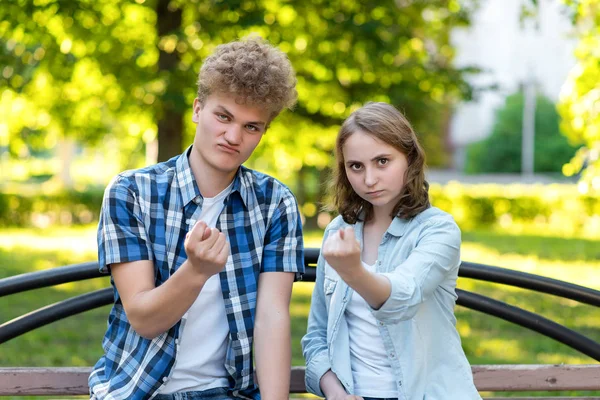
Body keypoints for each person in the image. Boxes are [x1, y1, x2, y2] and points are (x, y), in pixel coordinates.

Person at [89, 36, 304, 400]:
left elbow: (272, 318)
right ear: (197, 109)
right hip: (137, 391)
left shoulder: (275, 203)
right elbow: (144, 319)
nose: (234, 136)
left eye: (252, 127)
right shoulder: (131, 192)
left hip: (226, 393)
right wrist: (197, 271)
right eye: (224, 116)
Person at [301, 102, 481, 400]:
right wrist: (335, 393)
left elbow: (403, 299)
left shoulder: (437, 230)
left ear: (409, 159)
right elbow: (317, 337)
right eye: (355, 166)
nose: (369, 179)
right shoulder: (338, 232)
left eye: (382, 161)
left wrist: (353, 272)